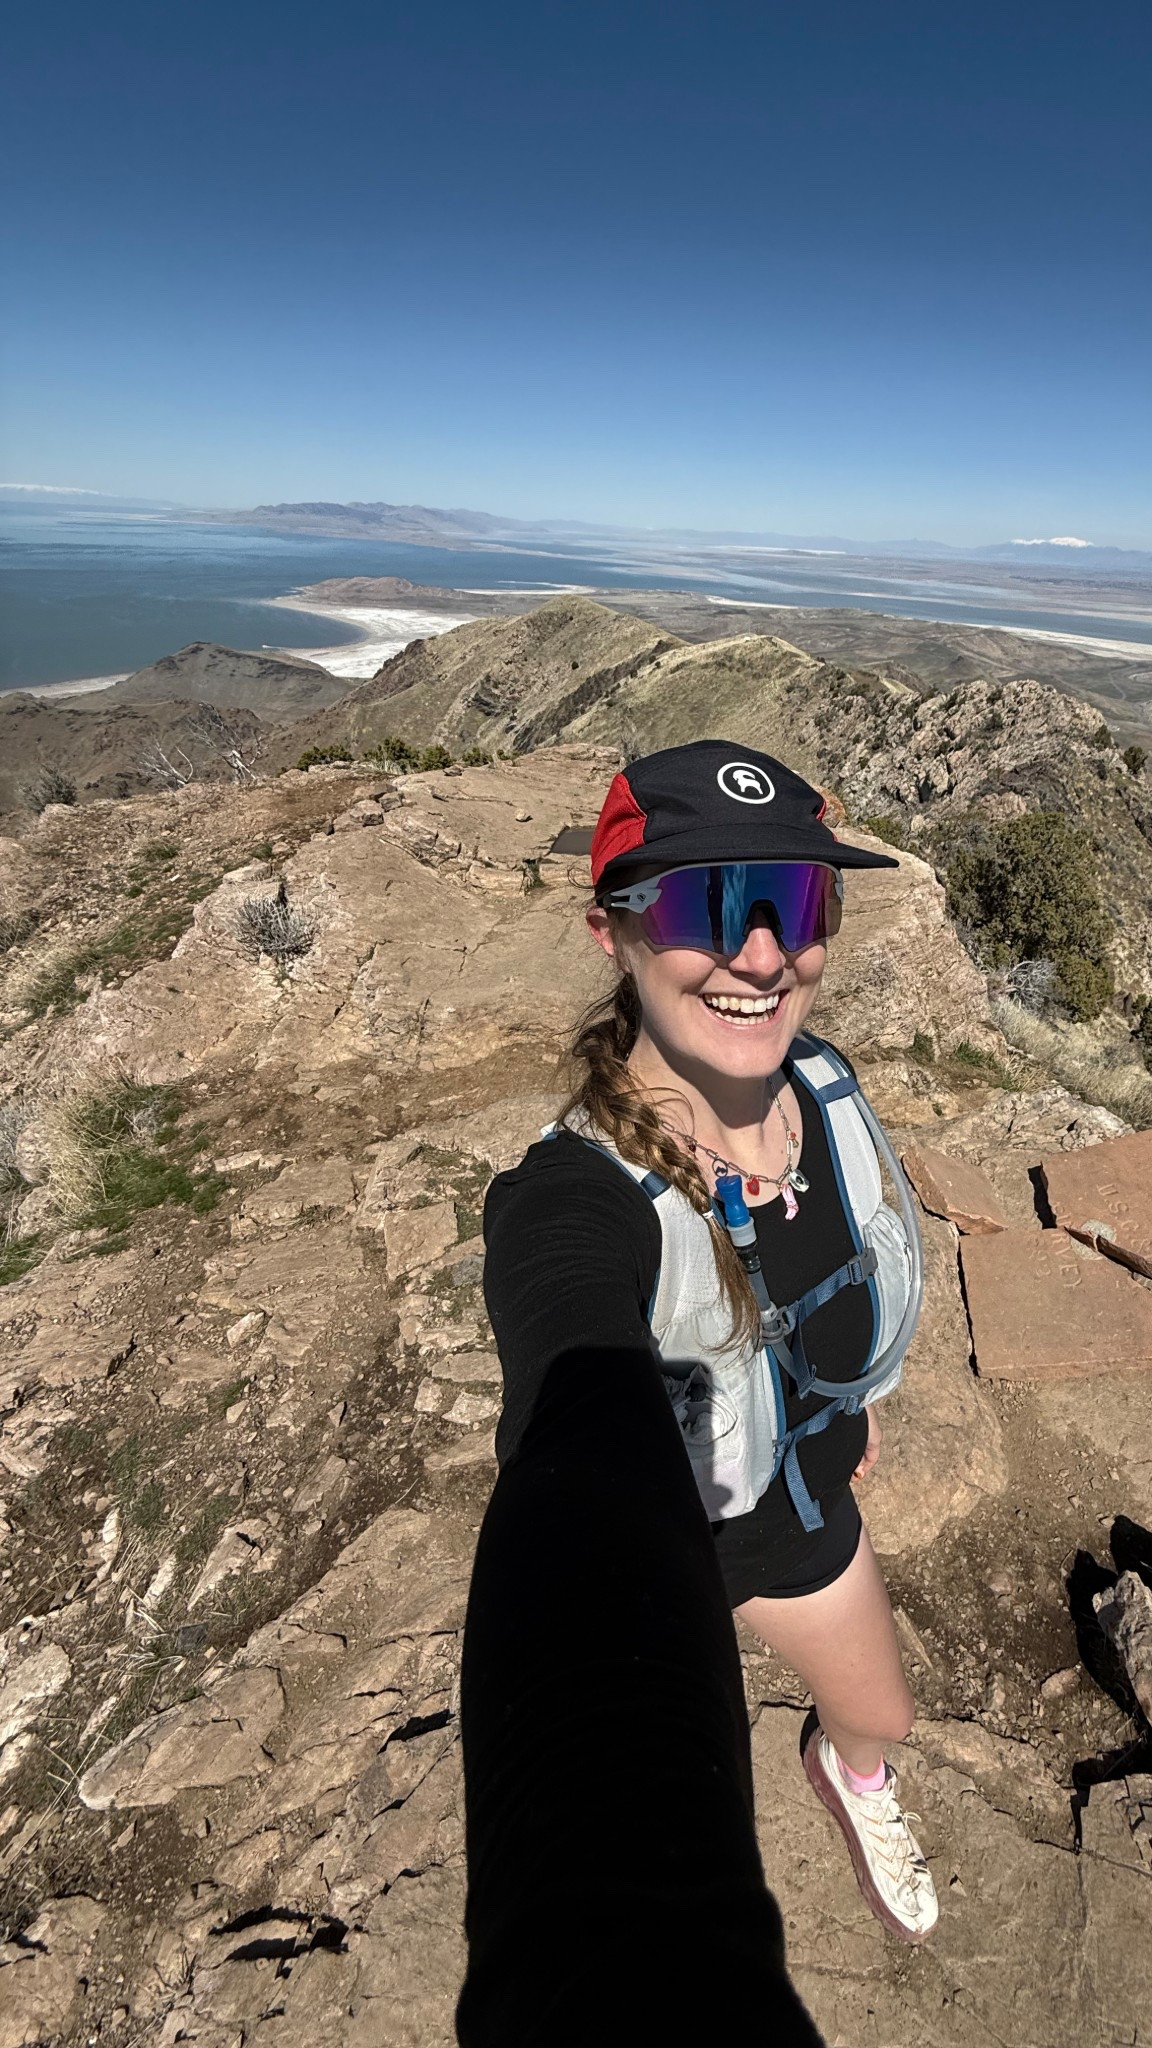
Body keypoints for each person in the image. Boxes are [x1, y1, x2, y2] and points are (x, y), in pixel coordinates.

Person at [473, 739, 940, 1955]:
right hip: (661, 1551)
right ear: (610, 930)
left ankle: (851, 1779)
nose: (765, 953)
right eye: (705, 902)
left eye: (796, 899)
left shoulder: (824, 1089)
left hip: (791, 1507)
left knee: (880, 1714)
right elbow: (569, 1370)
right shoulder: (573, 1201)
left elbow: (851, 1267)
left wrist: (849, 1403)